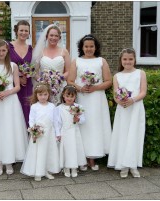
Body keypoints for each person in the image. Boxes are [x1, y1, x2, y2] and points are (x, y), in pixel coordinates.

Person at [67, 34, 112, 171]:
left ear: (96, 47)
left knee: (95, 126)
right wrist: (80, 88)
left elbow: (108, 81)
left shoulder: (101, 61)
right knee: (83, 126)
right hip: (82, 98)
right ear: (82, 47)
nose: (89, 49)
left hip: (97, 99)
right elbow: (70, 80)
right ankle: (82, 158)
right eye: (86, 46)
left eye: (91, 46)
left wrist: (95, 88)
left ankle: (92, 158)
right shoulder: (76, 61)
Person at [0, 39, 28, 175]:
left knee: (9, 129)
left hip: (10, 101)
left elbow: (17, 86)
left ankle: (9, 161)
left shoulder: (13, 66)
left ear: (7, 51)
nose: (1, 53)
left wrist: (7, 92)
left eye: (4, 50)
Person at [107, 48, 147, 178]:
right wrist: (121, 101)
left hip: (136, 107)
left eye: (130, 59)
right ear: (121, 60)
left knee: (135, 135)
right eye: (125, 59)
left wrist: (132, 100)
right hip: (123, 108)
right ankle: (123, 165)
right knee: (123, 135)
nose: (128, 61)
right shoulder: (117, 76)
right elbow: (115, 95)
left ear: (134, 59)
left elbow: (143, 92)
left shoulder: (141, 73)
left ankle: (133, 165)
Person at [20, 83, 60, 181]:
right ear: (36, 95)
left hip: (49, 133)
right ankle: (38, 171)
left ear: (48, 95)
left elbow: (56, 121)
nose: (43, 97)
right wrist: (33, 131)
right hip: (38, 134)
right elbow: (31, 120)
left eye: (45, 94)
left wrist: (58, 133)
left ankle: (46, 170)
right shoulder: (34, 106)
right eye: (40, 95)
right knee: (39, 152)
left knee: (48, 151)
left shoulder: (52, 106)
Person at [32, 24, 71, 105]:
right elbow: (35, 72)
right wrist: (43, 81)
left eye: (56, 36)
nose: (53, 38)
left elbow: (68, 71)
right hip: (44, 89)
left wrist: (58, 79)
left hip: (60, 86)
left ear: (59, 38)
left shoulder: (64, 52)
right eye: (51, 35)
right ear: (47, 36)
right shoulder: (41, 52)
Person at [54, 85, 87, 178]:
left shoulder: (78, 107)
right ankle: (66, 167)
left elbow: (83, 120)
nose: (69, 98)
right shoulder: (59, 108)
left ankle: (74, 167)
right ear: (63, 96)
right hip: (65, 132)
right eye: (67, 96)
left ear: (75, 97)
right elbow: (57, 122)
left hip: (74, 131)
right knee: (66, 149)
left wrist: (78, 119)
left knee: (74, 149)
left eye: (72, 96)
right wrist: (58, 134)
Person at [9, 20, 33, 127]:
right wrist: (18, 76)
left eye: (26, 31)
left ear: (29, 33)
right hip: (13, 84)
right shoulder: (8, 47)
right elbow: (4, 65)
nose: (23, 33)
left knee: (27, 109)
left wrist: (28, 74)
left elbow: (34, 66)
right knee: (15, 110)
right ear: (16, 31)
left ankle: (27, 137)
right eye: (21, 30)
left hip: (27, 84)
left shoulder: (31, 49)